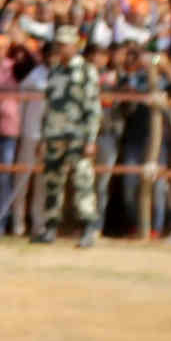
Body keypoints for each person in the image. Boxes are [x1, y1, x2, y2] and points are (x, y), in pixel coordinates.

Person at [37, 23, 102, 247]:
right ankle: (50, 227)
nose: (61, 48)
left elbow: (93, 108)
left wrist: (91, 139)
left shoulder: (86, 71)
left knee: (82, 181)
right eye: (59, 44)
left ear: (75, 46)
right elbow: (49, 107)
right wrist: (43, 137)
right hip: (55, 136)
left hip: (77, 136)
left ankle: (88, 227)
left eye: (65, 44)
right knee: (52, 182)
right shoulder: (54, 71)